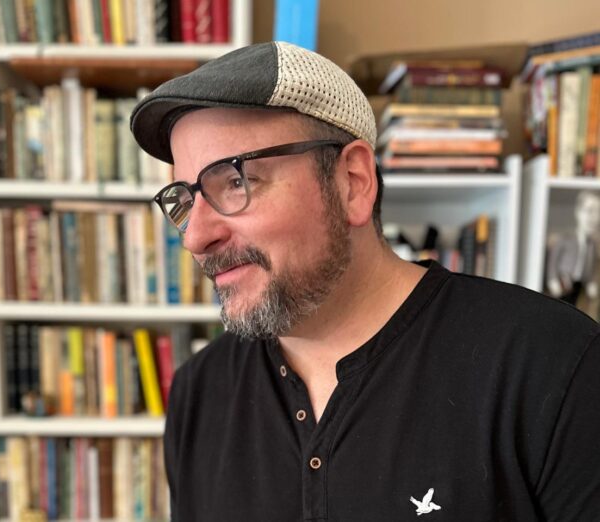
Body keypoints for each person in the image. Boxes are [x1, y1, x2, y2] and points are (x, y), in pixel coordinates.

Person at [130, 42, 600, 521]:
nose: (195, 238)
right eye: (183, 201)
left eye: (235, 182)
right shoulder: (199, 392)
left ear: (352, 181)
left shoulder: (553, 366)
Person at [546, 190, 600, 305]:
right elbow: (553, 261)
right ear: (578, 212)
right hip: (564, 282)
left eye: (598, 212)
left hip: (580, 286)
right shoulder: (565, 238)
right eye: (590, 210)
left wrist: (591, 283)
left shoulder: (592, 245)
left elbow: (591, 267)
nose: (594, 217)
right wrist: (552, 279)